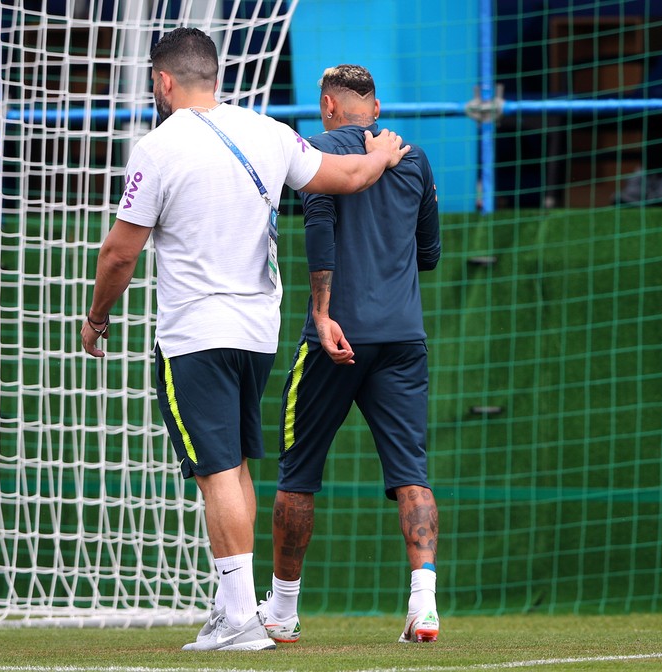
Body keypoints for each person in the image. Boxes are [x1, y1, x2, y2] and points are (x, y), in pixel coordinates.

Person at [80, 30, 409, 652]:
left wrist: (97, 317)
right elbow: (345, 175)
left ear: (165, 81)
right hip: (259, 331)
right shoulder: (269, 131)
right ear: (217, 76)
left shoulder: (158, 145)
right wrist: (384, 155)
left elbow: (121, 252)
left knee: (216, 474)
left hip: (196, 331)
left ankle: (238, 620)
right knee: (237, 470)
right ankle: (234, 609)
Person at [259, 64, 442, 645]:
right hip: (402, 336)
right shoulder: (414, 159)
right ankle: (424, 604)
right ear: (377, 108)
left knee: (297, 476)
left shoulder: (315, 150)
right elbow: (429, 253)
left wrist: (322, 310)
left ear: (328, 107)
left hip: (334, 336)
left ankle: (284, 612)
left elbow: (318, 227)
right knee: (412, 474)